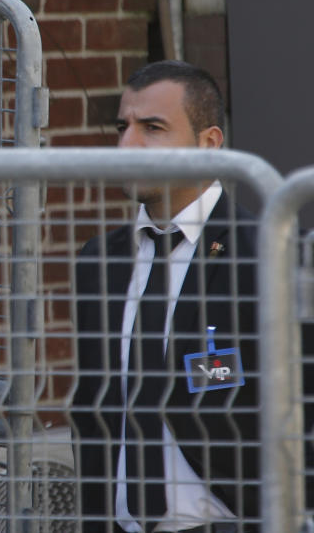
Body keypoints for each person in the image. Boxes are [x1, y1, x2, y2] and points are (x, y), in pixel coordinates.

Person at [71, 60, 260, 533]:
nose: (127, 145)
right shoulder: (100, 260)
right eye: (123, 126)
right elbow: (95, 408)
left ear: (209, 144)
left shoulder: (265, 254)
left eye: (152, 128)